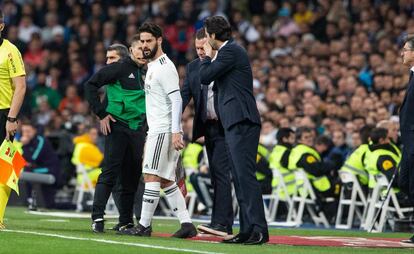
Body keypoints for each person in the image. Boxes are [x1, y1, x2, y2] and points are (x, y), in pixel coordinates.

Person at [119, 22, 197, 238]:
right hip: (160, 129)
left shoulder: (164, 67)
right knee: (165, 179)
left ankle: (143, 225)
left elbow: (176, 100)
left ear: (159, 40)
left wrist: (175, 131)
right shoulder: (152, 65)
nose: (144, 45)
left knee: (151, 176)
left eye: (149, 41)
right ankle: (186, 224)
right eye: (142, 41)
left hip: (163, 130)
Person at [199, 16, 268, 244]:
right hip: (234, 121)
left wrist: (207, 57)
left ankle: (258, 229)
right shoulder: (230, 53)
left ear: (211, 35)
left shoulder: (231, 51)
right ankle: (247, 230)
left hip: (242, 120)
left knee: (244, 176)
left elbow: (205, 76)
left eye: (206, 35)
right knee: (239, 176)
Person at [85, 35, 147, 233]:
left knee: (131, 176)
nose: (143, 51)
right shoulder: (120, 68)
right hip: (117, 127)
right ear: (131, 50)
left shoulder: (149, 71)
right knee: (110, 172)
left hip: (138, 129)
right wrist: (102, 113)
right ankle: (97, 217)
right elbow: (90, 85)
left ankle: (127, 221)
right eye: (139, 47)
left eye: (146, 47)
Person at [181, 28, 233, 237]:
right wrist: (173, 120)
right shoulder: (193, 67)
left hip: (226, 126)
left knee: (221, 174)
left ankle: (222, 223)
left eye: (204, 47)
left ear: (212, 45)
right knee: (216, 174)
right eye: (197, 48)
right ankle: (218, 222)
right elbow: (185, 95)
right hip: (209, 127)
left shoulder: (224, 63)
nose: (200, 52)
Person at [0, 9, 27, 230]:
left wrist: (12, 117)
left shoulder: (10, 51)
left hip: (3, 114)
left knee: (5, 167)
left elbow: (20, 86)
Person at [20, 120, 60, 209]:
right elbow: (23, 160)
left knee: (27, 171)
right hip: (39, 169)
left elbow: (33, 158)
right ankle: (30, 200)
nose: (25, 134)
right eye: (24, 132)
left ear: (34, 130)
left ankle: (30, 200)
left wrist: (24, 145)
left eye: (28, 131)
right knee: (50, 205)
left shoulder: (41, 140)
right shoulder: (28, 142)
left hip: (50, 169)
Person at [399, 36, 414, 244]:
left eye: (405, 50)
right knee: (406, 184)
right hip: (408, 141)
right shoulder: (412, 76)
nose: (402, 53)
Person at [268, 128, 296, 199]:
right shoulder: (287, 152)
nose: (294, 141)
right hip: (290, 189)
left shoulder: (275, 151)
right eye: (292, 138)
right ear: (284, 139)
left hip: (277, 189)